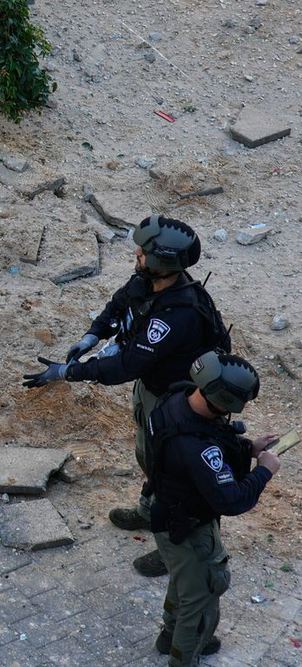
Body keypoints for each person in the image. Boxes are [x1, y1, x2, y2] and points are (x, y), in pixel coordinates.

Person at [22, 215, 229, 577]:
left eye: (143, 252)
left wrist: (68, 372)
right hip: (156, 391)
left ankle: (177, 549)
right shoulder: (151, 281)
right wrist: (92, 336)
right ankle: (150, 513)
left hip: (183, 407)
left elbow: (126, 365)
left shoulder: (177, 315)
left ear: (163, 261)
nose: (136, 254)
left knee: (179, 479)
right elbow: (119, 304)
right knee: (150, 459)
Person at [145, 352, 278, 667]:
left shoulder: (177, 398)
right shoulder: (197, 446)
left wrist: (247, 449)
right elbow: (231, 499)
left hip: (167, 513)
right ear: (224, 400)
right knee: (201, 601)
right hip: (190, 527)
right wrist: (264, 471)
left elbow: (207, 441)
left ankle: (170, 636)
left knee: (183, 581)